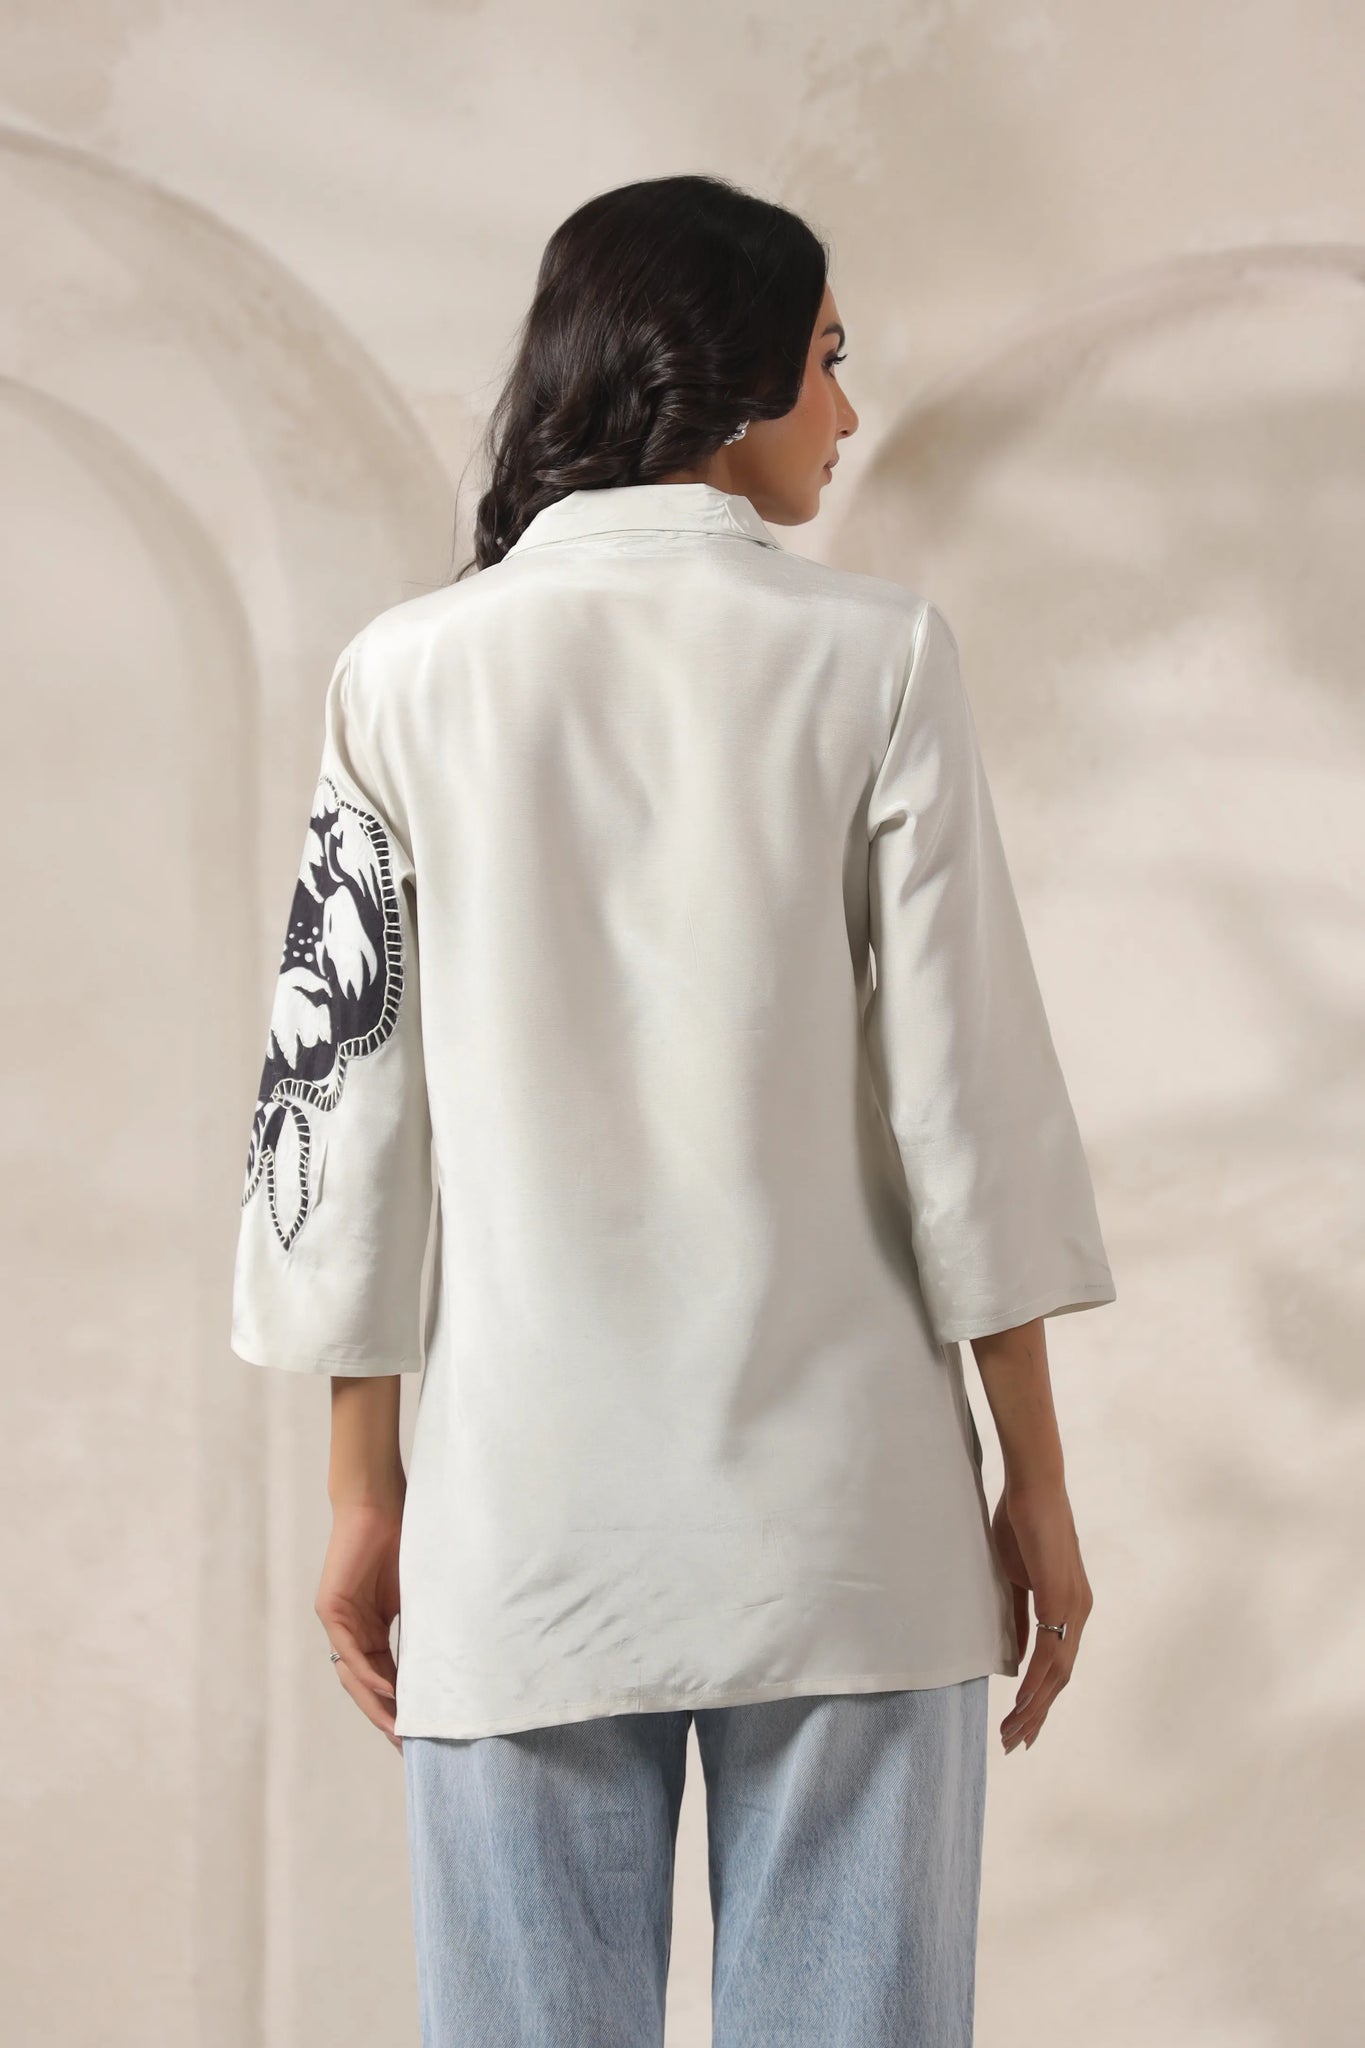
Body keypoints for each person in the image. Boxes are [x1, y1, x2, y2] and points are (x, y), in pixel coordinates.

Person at [230, 173, 1116, 2047]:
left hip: (520, 1535)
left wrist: (363, 1494)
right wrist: (1034, 1483)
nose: (846, 414)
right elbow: (967, 1108)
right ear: (726, 380)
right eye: (827, 361)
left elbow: (338, 1116)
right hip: (850, 1535)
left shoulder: (401, 676)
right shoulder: (877, 656)